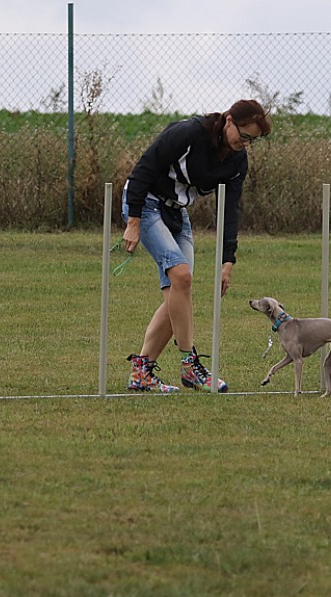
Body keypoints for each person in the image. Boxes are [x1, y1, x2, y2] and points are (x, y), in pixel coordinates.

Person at [122, 99, 272, 393]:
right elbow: (144, 167)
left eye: (252, 140)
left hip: (176, 212)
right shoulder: (189, 133)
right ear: (229, 120)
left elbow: (230, 209)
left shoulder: (237, 161)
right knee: (182, 277)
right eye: (243, 136)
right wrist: (134, 220)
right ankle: (190, 367)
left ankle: (141, 372)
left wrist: (228, 259)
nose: (245, 144)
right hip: (146, 204)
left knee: (178, 294)